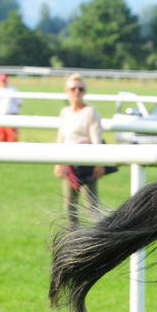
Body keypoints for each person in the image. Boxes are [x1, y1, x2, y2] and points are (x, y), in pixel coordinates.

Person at [54, 74, 104, 228]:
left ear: (84, 91)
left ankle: (99, 239)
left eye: (80, 88)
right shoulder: (65, 112)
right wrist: (57, 162)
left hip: (87, 160)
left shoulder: (90, 111)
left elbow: (96, 137)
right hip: (69, 162)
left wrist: (98, 163)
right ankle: (72, 238)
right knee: (69, 204)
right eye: (73, 88)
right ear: (67, 91)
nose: (77, 92)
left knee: (91, 205)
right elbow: (61, 137)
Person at [0, 73, 22, 142]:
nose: (3, 82)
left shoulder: (13, 90)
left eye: (4, 81)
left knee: (12, 137)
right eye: (1, 81)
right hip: (0, 117)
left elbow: (19, 103)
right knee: (0, 137)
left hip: (11, 116)